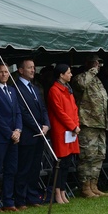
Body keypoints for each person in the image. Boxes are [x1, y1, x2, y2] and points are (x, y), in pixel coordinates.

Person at [12, 58, 50, 208]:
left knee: (35, 168)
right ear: (21, 70)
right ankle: (20, 199)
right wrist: (37, 127)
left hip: (40, 134)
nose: (33, 70)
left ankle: (33, 197)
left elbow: (42, 108)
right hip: (28, 134)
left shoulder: (34, 88)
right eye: (29, 68)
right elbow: (23, 112)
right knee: (24, 168)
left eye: (34, 67)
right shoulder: (17, 88)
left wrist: (46, 125)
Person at [73, 55, 108, 198]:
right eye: (95, 63)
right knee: (88, 156)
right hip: (87, 123)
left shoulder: (97, 80)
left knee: (99, 155)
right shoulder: (80, 77)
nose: (98, 65)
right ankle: (85, 186)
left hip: (100, 123)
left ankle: (94, 184)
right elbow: (81, 84)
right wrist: (92, 70)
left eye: (99, 63)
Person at [0, 62, 22, 211]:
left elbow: (18, 112)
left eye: (6, 72)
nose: (4, 74)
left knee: (11, 169)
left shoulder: (12, 91)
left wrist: (18, 130)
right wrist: (9, 133)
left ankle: (9, 201)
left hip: (14, 137)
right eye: (1, 72)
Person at [46, 64, 80, 203]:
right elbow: (60, 112)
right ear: (61, 75)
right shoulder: (54, 90)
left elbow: (74, 109)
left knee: (67, 162)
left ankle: (63, 190)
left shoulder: (68, 89)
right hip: (62, 130)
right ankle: (57, 192)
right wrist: (73, 126)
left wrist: (76, 124)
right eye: (68, 73)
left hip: (71, 130)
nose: (71, 75)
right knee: (60, 162)